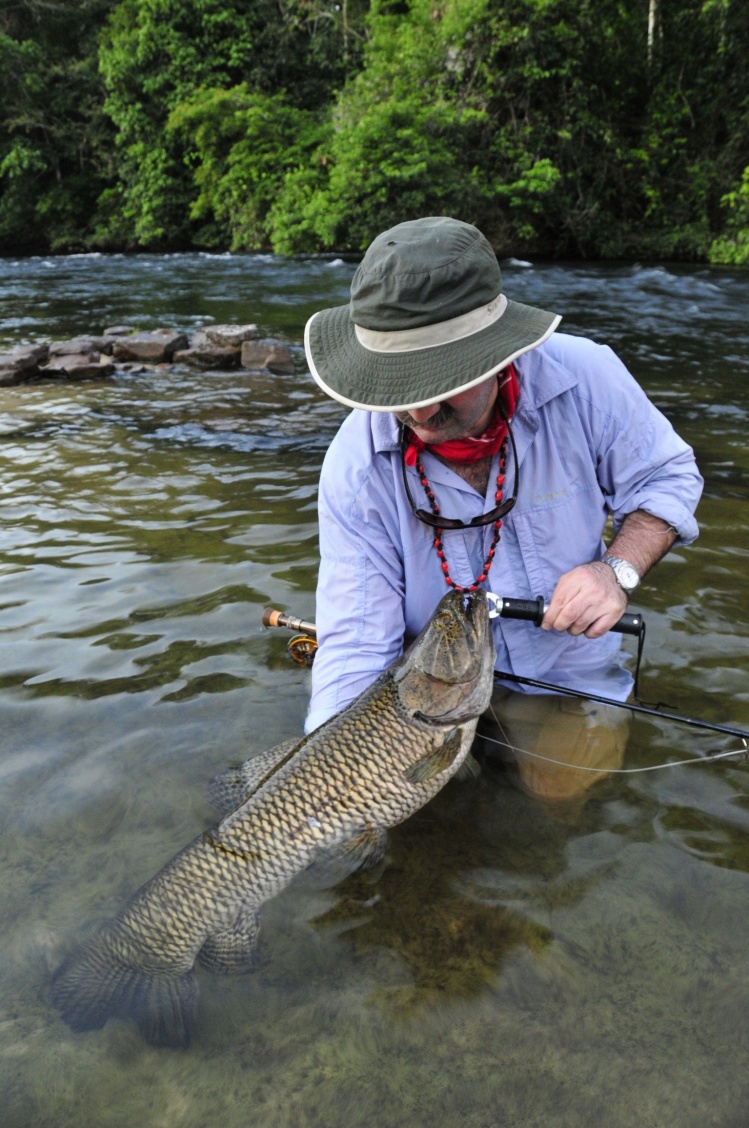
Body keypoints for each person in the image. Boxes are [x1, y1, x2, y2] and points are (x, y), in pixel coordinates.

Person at [302, 216, 703, 806]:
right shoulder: (354, 466)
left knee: (560, 803)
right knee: (390, 824)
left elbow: (666, 476)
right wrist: (322, 785)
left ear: (497, 355)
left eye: (441, 381)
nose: (419, 411)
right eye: (398, 387)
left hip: (561, 679)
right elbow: (358, 649)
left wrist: (616, 571)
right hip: (427, 692)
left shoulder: (586, 377)